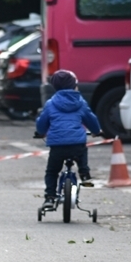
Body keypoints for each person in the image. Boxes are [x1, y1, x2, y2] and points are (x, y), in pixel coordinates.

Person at [35, 69, 102, 207]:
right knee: (81, 152)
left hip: (57, 146)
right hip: (76, 144)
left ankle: (50, 197)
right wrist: (96, 131)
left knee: (52, 171)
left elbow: (42, 123)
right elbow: (91, 119)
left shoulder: (50, 103)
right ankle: (84, 173)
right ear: (74, 85)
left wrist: (41, 132)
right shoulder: (81, 102)